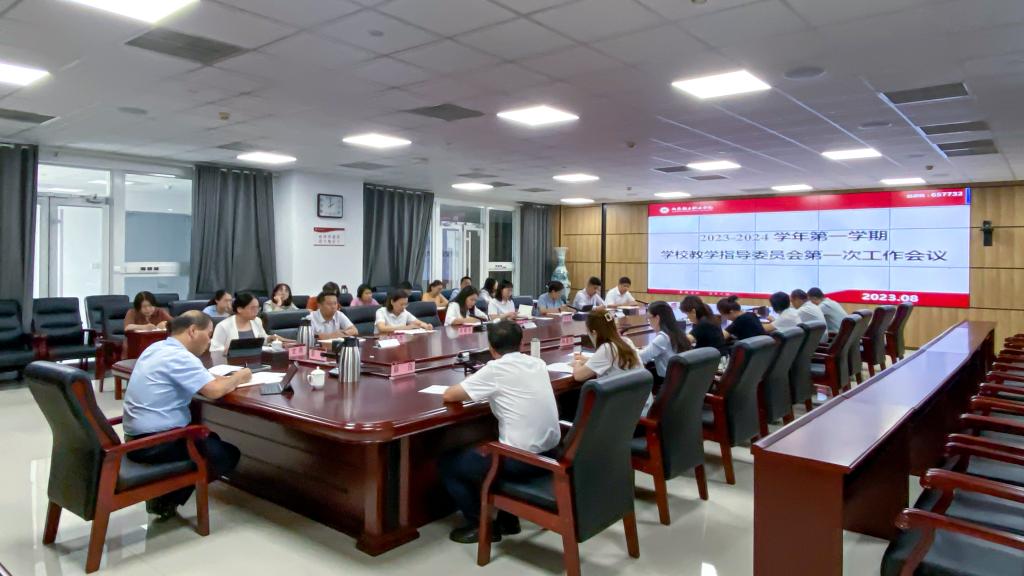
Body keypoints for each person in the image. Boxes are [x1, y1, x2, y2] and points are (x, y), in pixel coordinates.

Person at [440, 321, 560, 544]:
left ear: (491, 349)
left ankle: (481, 526)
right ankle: (508, 520)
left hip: (522, 460)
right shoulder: (538, 363)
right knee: (501, 440)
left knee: (450, 464)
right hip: (552, 453)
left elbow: (450, 395)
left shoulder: (495, 369)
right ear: (521, 344)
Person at [122, 311, 250, 518]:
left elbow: (205, 379)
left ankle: (165, 495)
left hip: (136, 438)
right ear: (192, 331)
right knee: (226, 454)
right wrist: (240, 376)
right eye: (208, 334)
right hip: (155, 443)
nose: (209, 341)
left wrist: (222, 379)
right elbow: (214, 391)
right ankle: (165, 499)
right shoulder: (180, 357)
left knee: (212, 439)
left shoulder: (157, 347)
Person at [572, 309, 641, 382]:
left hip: (621, 389)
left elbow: (578, 376)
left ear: (594, 332)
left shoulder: (607, 348)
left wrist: (577, 363)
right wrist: (588, 360)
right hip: (638, 388)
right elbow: (608, 360)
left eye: (588, 332)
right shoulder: (627, 341)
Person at [211, 292, 283, 352]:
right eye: (252, 308)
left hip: (255, 359)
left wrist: (269, 338)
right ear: (239, 309)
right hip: (231, 361)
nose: (256, 311)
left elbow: (261, 339)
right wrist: (231, 350)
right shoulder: (223, 326)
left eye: (257, 308)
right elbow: (214, 349)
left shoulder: (257, 321)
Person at [640, 301, 691, 383]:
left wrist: (631, 350)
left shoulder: (663, 337)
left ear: (657, 318)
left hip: (667, 382)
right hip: (680, 380)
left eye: (649, 318)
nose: (649, 321)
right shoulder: (678, 332)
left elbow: (641, 358)